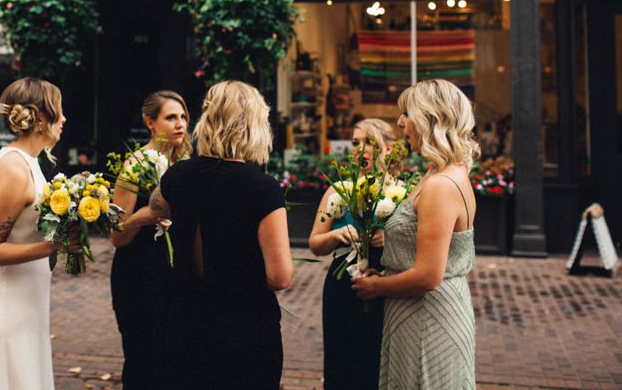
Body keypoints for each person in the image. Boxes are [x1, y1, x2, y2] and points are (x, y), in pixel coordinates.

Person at [148, 80, 294, 390]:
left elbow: (156, 205)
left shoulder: (179, 175)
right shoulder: (262, 188)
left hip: (187, 320)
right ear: (253, 125)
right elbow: (280, 276)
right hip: (244, 327)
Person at [352, 78, 478, 389]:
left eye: (407, 113)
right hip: (421, 311)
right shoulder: (446, 172)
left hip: (427, 317)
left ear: (429, 118)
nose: (400, 123)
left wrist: (377, 288)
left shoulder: (440, 185)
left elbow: (427, 276)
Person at [0, 77, 74, 390]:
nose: (64, 119)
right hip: (5, 308)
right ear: (40, 118)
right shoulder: (14, 168)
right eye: (58, 111)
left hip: (27, 306)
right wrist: (53, 246)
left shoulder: (31, 163)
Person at [110, 90, 192, 390]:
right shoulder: (136, 165)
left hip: (178, 273)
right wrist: (141, 218)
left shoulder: (187, 165)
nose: (179, 123)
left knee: (177, 359)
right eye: (171, 117)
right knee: (145, 358)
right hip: (139, 273)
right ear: (150, 122)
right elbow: (116, 236)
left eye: (183, 116)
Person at [309, 117, 398, 390]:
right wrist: (335, 235)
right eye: (355, 143)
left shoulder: (402, 194)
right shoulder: (337, 192)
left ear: (389, 149)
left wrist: (391, 239)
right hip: (342, 285)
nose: (360, 150)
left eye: (369, 142)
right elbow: (315, 244)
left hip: (386, 285)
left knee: (378, 361)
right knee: (342, 359)